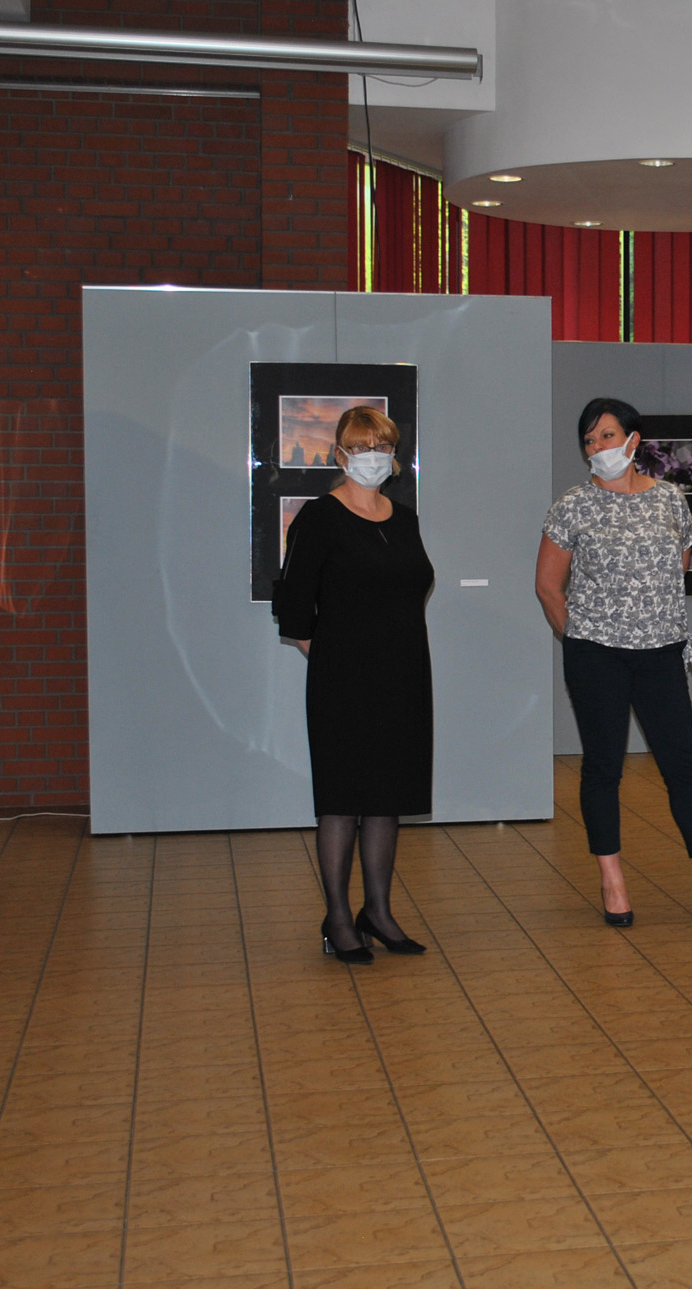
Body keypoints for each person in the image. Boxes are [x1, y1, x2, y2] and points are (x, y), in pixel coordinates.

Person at [534, 397, 692, 929]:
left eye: (607, 435)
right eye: (589, 440)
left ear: (634, 440)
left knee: (684, 767)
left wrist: (646, 622)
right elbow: (547, 586)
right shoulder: (573, 505)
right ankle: (612, 883)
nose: (597, 447)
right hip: (596, 655)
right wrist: (582, 640)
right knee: (603, 767)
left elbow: (676, 569)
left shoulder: (670, 500)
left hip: (660, 653)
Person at [275, 406, 434, 964]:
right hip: (343, 681)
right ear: (340, 454)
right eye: (361, 446)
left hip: (404, 677)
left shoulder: (404, 518)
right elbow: (295, 611)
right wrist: (340, 658)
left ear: (394, 456)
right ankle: (339, 919)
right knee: (343, 799)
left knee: (387, 797)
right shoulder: (320, 517)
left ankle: (379, 912)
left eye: (382, 446)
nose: (373, 457)